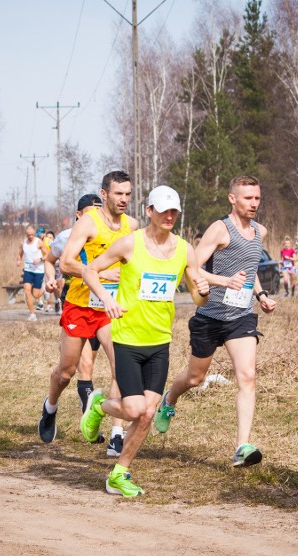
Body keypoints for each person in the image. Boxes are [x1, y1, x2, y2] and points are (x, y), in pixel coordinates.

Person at [80, 185, 209, 497]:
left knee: (148, 413)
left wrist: (202, 292)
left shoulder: (184, 249)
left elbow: (197, 297)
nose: (168, 216)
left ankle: (119, 474)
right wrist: (105, 300)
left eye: (173, 211)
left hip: (159, 342)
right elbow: (90, 270)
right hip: (127, 339)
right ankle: (99, 405)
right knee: (137, 409)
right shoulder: (129, 244)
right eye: (163, 210)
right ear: (149, 211)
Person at [153, 175, 277, 468]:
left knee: (247, 376)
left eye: (257, 198)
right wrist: (224, 281)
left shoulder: (260, 231)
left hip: (241, 318)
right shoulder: (220, 229)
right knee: (195, 378)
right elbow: (191, 267)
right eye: (248, 198)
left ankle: (242, 446)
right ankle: (169, 400)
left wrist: (260, 294)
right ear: (232, 199)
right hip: (210, 317)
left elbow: (249, 268)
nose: (254, 204)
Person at [39, 189, 133, 455]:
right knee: (66, 372)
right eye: (89, 213)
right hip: (78, 305)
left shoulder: (122, 228)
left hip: (107, 306)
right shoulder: (67, 237)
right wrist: (51, 278)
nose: (96, 217)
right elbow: (54, 261)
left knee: (119, 364)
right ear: (79, 216)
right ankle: (50, 407)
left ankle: (117, 433)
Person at [17, 225, 47, 321]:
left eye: (32, 235)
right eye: (28, 235)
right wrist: (19, 261)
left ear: (34, 234)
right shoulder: (23, 243)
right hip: (28, 270)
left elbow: (48, 254)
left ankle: (44, 290)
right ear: (26, 235)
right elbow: (20, 254)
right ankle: (32, 314)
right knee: (27, 291)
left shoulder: (38, 242)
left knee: (36, 295)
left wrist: (40, 259)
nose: (30, 236)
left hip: (38, 270)